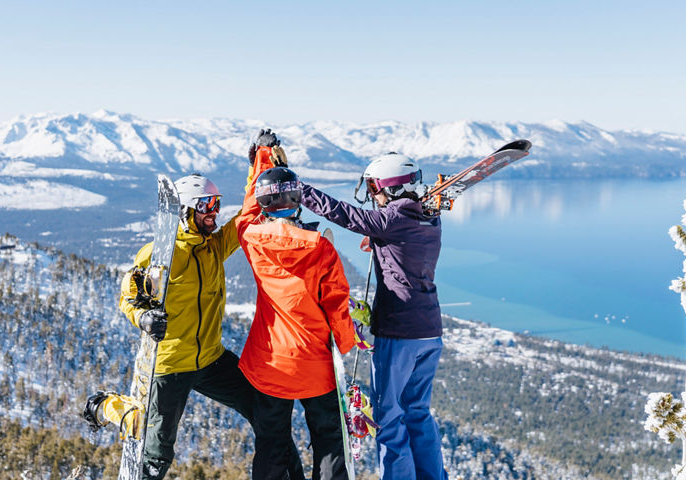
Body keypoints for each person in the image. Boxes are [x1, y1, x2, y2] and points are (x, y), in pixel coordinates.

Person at [82, 173, 304, 480]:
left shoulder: (213, 246)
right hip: (172, 364)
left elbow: (246, 216)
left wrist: (261, 163)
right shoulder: (161, 254)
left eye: (216, 204)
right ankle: (108, 406)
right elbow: (128, 297)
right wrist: (144, 318)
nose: (213, 212)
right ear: (185, 211)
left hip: (211, 358)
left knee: (267, 414)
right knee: (156, 454)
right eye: (205, 205)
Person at [299, 153, 448, 480]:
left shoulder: (392, 221)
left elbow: (344, 214)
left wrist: (300, 190)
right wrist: (381, 239)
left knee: (389, 416)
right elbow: (402, 237)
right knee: (418, 412)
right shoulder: (429, 218)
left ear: (392, 188)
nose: (373, 196)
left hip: (400, 333)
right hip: (430, 331)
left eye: (375, 188)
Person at [236, 130, 357, 480]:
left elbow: (248, 210)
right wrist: (345, 344)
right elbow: (337, 303)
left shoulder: (251, 238)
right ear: (296, 200)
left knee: (272, 443)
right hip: (316, 366)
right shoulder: (321, 247)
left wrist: (261, 156)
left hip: (270, 363)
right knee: (329, 441)